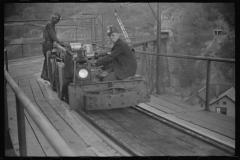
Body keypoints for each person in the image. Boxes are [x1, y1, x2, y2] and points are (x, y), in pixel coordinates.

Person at [41, 12, 63, 80]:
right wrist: (59, 42)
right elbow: (52, 36)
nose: (57, 21)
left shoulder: (52, 25)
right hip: (47, 44)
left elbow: (53, 36)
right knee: (48, 59)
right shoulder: (49, 25)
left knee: (47, 60)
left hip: (48, 44)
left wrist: (56, 41)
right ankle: (46, 76)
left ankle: (44, 75)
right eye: (57, 20)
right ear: (53, 18)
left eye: (58, 20)